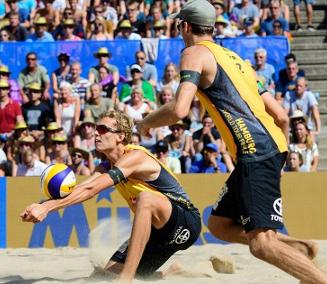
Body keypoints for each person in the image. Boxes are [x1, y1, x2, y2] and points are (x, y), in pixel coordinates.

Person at [137, 0, 327, 284]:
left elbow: (179, 110)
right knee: (218, 225)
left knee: (261, 245)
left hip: (255, 152)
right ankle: (299, 249)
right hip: (267, 148)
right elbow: (280, 115)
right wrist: (279, 155)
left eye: (179, 26)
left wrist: (145, 123)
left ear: (187, 26)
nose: (179, 31)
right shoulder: (236, 61)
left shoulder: (194, 53)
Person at [21, 110, 201, 282]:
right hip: (156, 234)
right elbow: (83, 189)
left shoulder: (136, 156)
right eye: (96, 129)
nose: (96, 134)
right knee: (105, 275)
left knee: (145, 199)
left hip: (185, 223)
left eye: (103, 129)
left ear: (121, 136)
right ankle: (170, 273)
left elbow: (91, 189)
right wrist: (42, 205)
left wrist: (47, 208)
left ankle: (126, 280)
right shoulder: (106, 166)